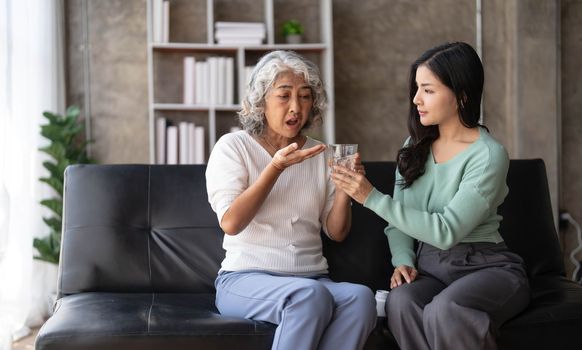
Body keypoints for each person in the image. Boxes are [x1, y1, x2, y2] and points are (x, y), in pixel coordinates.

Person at [331, 42, 530, 350]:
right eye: (416, 89)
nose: (416, 99)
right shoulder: (415, 146)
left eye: (428, 90)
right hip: (431, 267)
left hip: (487, 267)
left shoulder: (488, 155)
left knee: (445, 310)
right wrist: (403, 260)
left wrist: (370, 196)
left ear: (461, 95)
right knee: (401, 302)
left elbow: (446, 231)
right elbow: (398, 221)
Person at [205, 50, 377, 350]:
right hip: (244, 279)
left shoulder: (321, 154)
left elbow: (336, 232)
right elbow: (231, 222)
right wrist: (276, 167)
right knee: (308, 297)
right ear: (261, 102)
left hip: (313, 279)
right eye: (284, 96)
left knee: (361, 299)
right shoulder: (233, 147)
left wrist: (344, 191)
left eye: (305, 96)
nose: (296, 107)